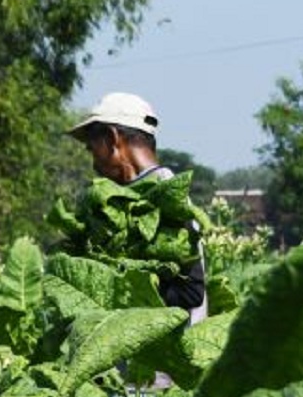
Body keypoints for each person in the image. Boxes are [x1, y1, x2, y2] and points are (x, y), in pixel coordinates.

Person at [67, 91, 208, 323]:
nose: (94, 164)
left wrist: (118, 288)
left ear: (112, 138)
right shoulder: (126, 197)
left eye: (93, 149)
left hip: (168, 356)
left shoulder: (165, 193)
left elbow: (190, 293)